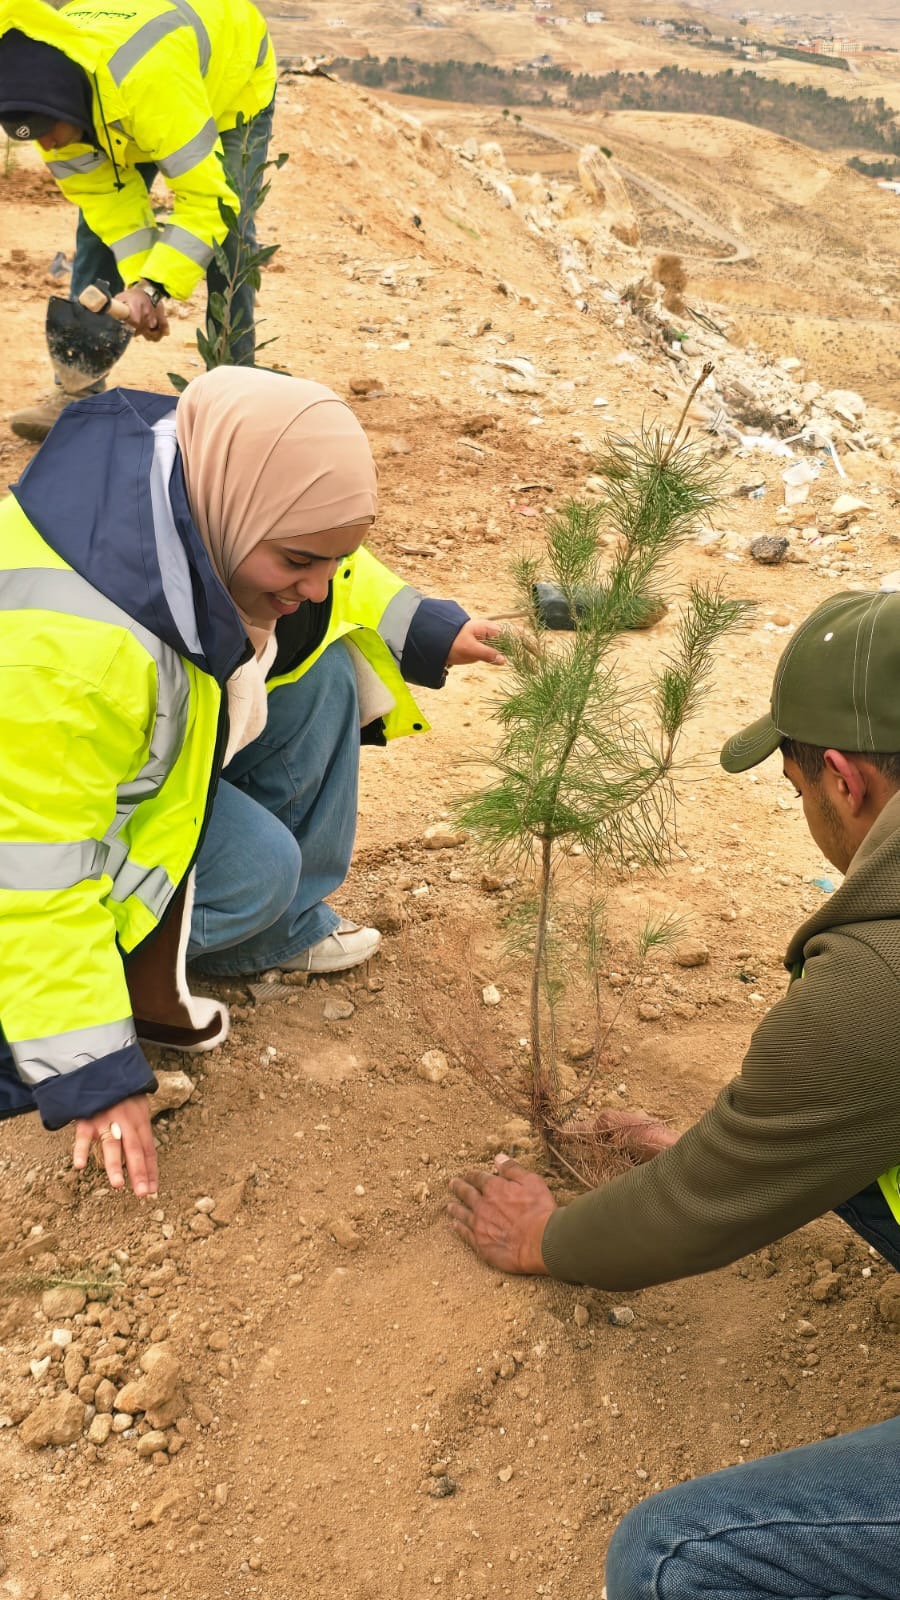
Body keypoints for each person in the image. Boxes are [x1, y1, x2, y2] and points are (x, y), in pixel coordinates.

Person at [448, 587, 900, 1599]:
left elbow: (693, 1217)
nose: (811, 816)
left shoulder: (880, 975)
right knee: (855, 1166)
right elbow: (840, 1107)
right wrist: (740, 1146)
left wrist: (547, 1239)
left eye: (797, 791)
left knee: (668, 1559)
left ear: (844, 777)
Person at [0, 366, 504, 1199]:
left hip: (111, 761)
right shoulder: (71, 651)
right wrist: (88, 1066)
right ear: (233, 514)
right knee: (259, 869)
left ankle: (274, 931)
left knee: (326, 672)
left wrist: (426, 628)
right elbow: (30, 873)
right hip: (25, 842)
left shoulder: (197, 478)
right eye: (300, 561)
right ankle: (128, 975)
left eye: (327, 557)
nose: (317, 582)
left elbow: (332, 559)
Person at [0, 0, 277, 440]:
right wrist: (140, 289)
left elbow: (206, 201)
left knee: (231, 234)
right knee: (95, 231)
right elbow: (109, 207)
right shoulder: (41, 90)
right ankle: (79, 390)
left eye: (47, 131)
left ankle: (234, 396)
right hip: (125, 91)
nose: (47, 147)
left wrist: (153, 286)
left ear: (66, 103)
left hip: (227, 78)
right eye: (30, 136)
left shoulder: (151, 84)